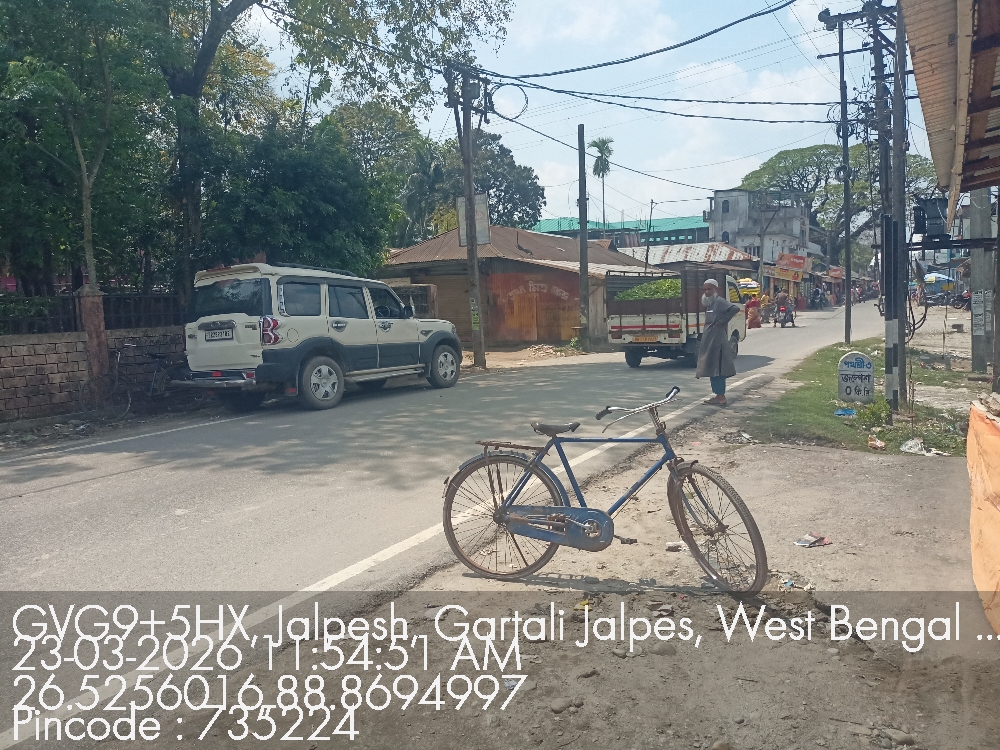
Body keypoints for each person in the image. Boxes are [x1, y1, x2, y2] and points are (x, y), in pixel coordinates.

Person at [696, 279, 741, 406]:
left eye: (709, 289)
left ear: (716, 289)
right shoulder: (710, 303)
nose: (706, 292)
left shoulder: (719, 301)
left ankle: (721, 397)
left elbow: (735, 308)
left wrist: (722, 322)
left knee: (717, 369)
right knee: (712, 368)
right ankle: (718, 396)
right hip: (710, 340)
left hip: (717, 341)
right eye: (705, 289)